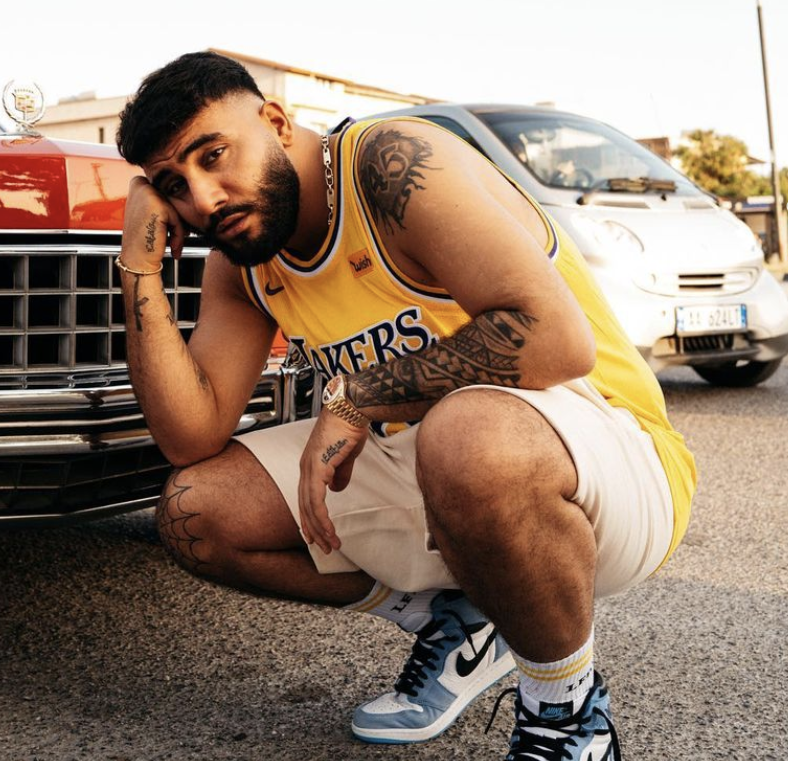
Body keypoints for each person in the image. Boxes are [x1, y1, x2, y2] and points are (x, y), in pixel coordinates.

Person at [114, 51, 695, 759]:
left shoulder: (389, 164)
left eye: (214, 156)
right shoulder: (244, 261)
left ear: (275, 121)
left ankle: (568, 716)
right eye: (174, 185)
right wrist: (139, 265)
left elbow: (557, 340)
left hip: (606, 451)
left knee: (467, 435)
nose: (204, 201)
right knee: (195, 510)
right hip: (443, 467)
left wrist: (359, 395)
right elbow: (189, 437)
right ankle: (463, 623)